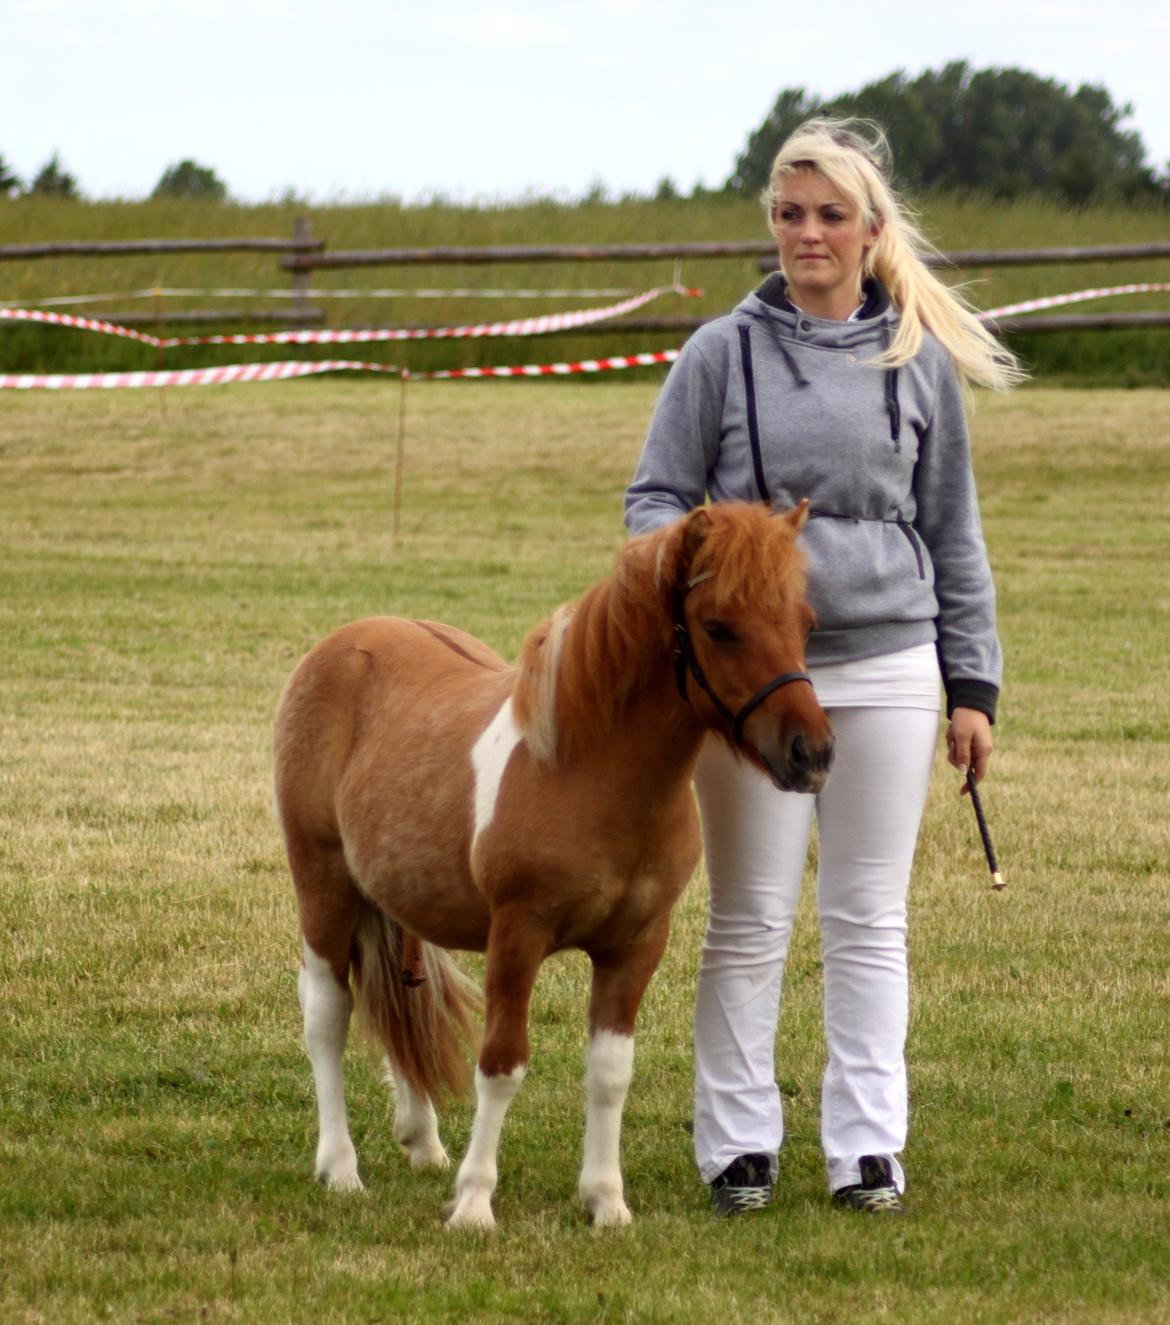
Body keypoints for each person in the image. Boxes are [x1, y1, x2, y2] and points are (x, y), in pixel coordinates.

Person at [623, 118, 1023, 1216]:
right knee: (748, 914)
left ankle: (867, 1149)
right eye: (790, 214)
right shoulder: (719, 353)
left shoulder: (917, 362)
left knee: (866, 915)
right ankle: (737, 1142)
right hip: (752, 687)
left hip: (890, 665)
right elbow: (651, 499)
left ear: (869, 229)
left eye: (829, 214)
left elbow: (954, 535)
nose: (808, 232)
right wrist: (706, 553)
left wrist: (972, 686)